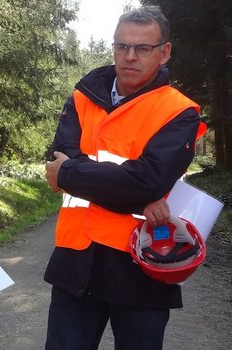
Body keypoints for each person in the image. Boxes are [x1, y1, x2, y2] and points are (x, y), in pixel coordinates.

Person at [44, 6, 206, 350]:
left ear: (164, 52)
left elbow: (148, 181)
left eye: (142, 48)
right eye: (122, 46)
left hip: (143, 264)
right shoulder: (83, 96)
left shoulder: (179, 111)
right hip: (76, 262)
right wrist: (133, 187)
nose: (129, 56)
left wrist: (72, 173)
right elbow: (57, 158)